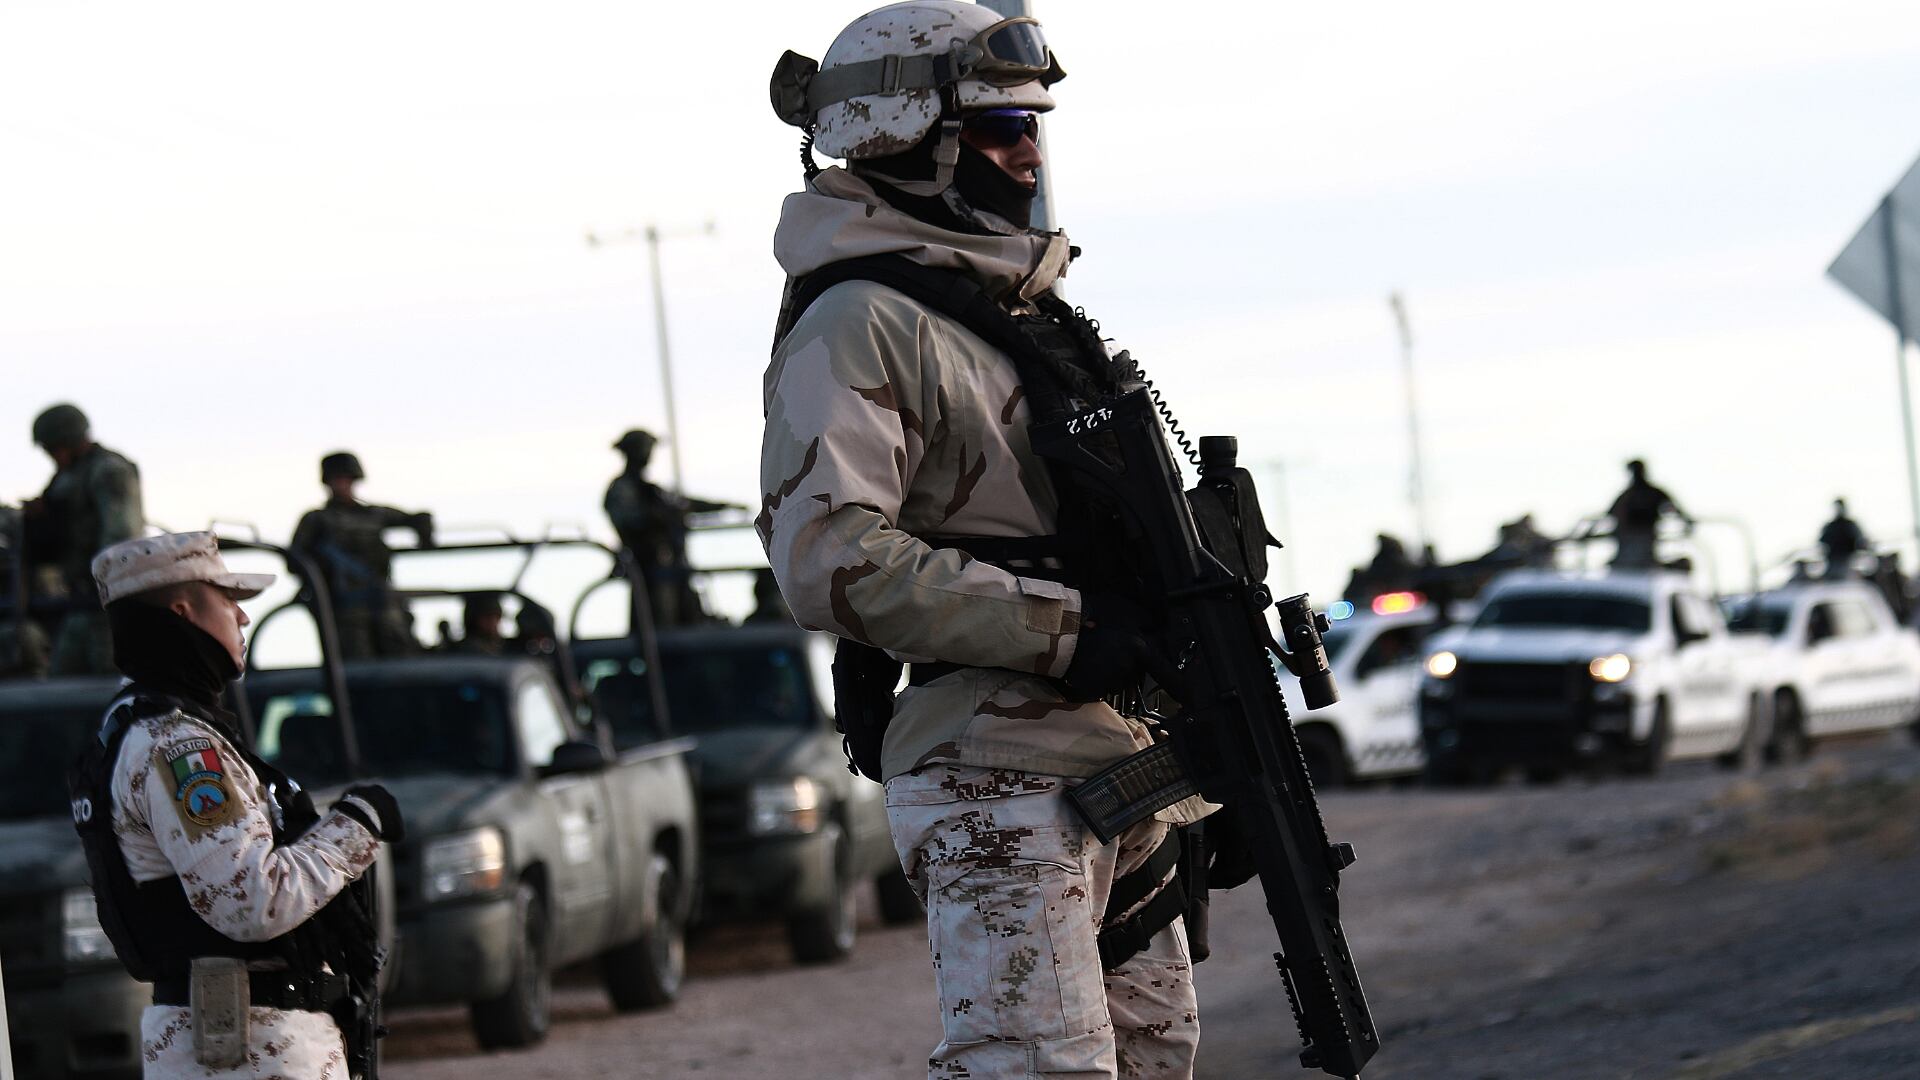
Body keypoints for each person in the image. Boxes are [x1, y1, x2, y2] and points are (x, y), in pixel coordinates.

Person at [760, 6, 1205, 1075]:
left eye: (1034, 123)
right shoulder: (863, 318)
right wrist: (1066, 631)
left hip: (1114, 759)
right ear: (904, 135)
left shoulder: (1022, 314)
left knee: (1155, 1060)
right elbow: (828, 556)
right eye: (1003, 121)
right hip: (992, 776)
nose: (1028, 150)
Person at [67, 531, 401, 1078]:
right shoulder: (179, 747)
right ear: (185, 612)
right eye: (229, 602)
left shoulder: (145, 729)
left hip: (235, 1041)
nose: (243, 620)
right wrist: (356, 825)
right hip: (249, 1046)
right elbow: (250, 902)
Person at [23, 403, 145, 675]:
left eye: (53, 447)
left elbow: (121, 537)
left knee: (107, 680)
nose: (51, 455)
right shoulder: (67, 476)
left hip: (110, 601)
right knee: (62, 681)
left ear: (68, 440)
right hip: (81, 599)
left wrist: (106, 581)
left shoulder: (109, 471)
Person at [289, 452, 433, 658]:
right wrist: (324, 569)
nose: (342, 485)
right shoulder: (317, 520)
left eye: (347, 479)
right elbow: (295, 561)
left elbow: (418, 518)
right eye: (337, 480)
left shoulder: (374, 514)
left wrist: (424, 534)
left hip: (381, 599)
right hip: (343, 606)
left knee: (401, 651)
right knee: (355, 661)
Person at [604, 429, 735, 628]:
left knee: (686, 621)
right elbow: (635, 522)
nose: (649, 454)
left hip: (672, 569)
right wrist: (664, 517)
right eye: (646, 448)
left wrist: (723, 507)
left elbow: (684, 504)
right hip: (649, 572)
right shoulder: (622, 490)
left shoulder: (653, 492)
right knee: (657, 628)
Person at [1604, 459, 1691, 570]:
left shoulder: (1651, 494)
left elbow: (1675, 509)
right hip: (1627, 544)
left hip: (1646, 541)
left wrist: (1685, 522)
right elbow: (1610, 515)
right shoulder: (1627, 497)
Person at [1818, 498, 1869, 580]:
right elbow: (1822, 544)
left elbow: (1861, 542)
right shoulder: (1830, 526)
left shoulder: (1849, 525)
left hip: (1848, 561)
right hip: (1833, 562)